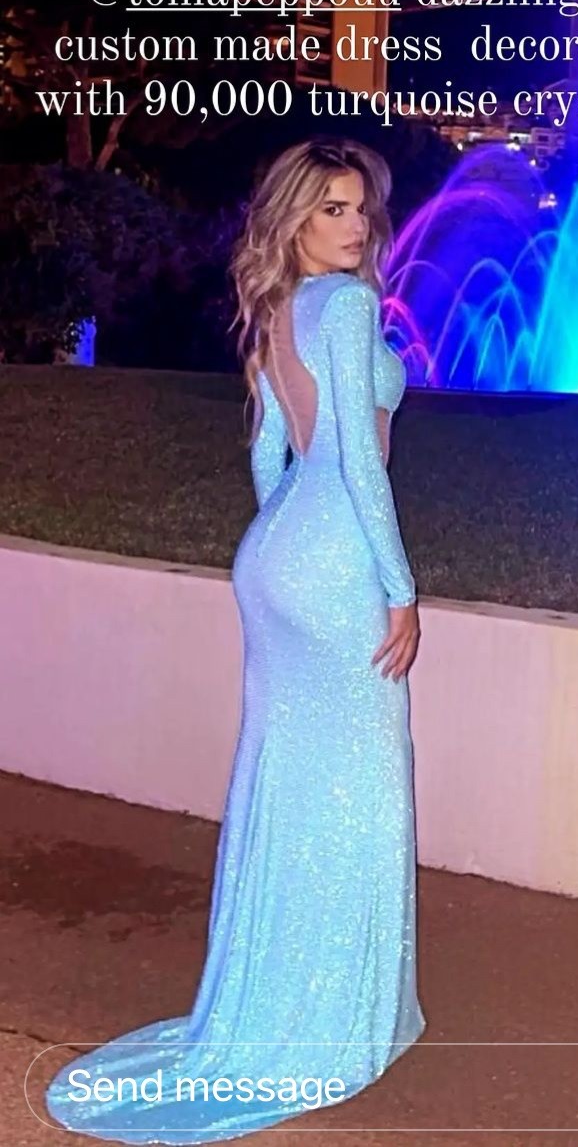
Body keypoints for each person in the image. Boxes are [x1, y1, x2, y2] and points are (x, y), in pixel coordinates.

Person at [45, 137, 425, 1143]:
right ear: (294, 219)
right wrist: (398, 589)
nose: (356, 226)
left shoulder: (274, 310)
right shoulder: (344, 308)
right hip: (337, 561)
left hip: (275, 556)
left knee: (287, 781)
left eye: (361, 208)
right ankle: (329, 1014)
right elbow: (357, 463)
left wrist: (283, 556)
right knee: (360, 786)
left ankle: (276, 988)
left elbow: (269, 456)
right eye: (333, 208)